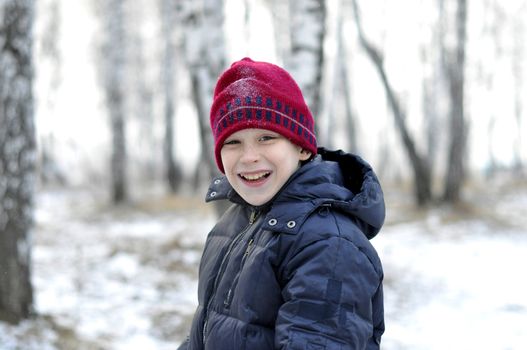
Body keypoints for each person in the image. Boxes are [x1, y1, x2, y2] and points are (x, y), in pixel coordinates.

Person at [178, 57, 385, 350]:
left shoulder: (328, 245)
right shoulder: (232, 224)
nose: (249, 156)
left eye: (266, 137)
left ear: (301, 147)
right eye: (233, 142)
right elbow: (207, 331)